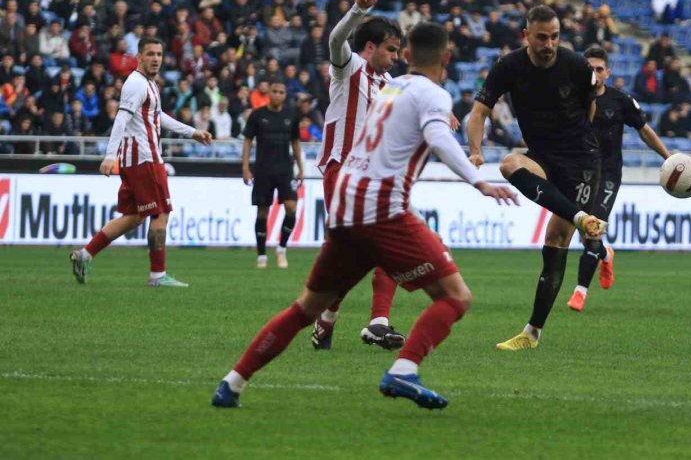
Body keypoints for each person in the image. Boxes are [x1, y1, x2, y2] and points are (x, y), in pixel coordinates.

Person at [212, 22, 519, 410]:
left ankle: (233, 381)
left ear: (406, 55)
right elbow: (440, 139)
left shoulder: (390, 87)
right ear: (446, 58)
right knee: (456, 297)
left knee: (306, 307)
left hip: (347, 202)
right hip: (382, 208)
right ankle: (404, 369)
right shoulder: (432, 94)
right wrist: (480, 181)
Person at [466, 5, 606, 351]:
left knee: (557, 239)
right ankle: (580, 216)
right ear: (526, 35)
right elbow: (479, 111)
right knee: (510, 165)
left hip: (581, 158)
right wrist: (475, 150)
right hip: (542, 154)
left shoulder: (576, 65)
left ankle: (532, 333)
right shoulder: (508, 66)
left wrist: (576, 138)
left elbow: (590, 110)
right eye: (542, 37)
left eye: (555, 37)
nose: (549, 44)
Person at [68, 38, 212, 286]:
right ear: (139, 57)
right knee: (161, 214)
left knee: (133, 216)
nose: (155, 58)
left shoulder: (149, 84)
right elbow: (121, 120)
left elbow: (158, 116)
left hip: (136, 159)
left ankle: (85, 254)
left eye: (159, 53)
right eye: (150, 54)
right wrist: (109, 156)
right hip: (145, 158)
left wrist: (192, 132)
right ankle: (157, 275)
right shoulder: (135, 84)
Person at [311, 0, 406, 352]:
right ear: (370, 47)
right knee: (349, 255)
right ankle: (326, 318)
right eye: (391, 49)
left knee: (390, 246)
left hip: (375, 177)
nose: (396, 57)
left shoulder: (389, 86)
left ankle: (378, 322)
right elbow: (335, 39)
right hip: (342, 171)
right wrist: (356, 10)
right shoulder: (348, 67)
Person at [564, 46, 670, 312]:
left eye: (600, 69)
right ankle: (605, 254)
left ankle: (580, 292)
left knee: (593, 229)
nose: (595, 73)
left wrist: (667, 157)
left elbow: (644, 131)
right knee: (586, 236)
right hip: (580, 174)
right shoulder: (572, 99)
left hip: (609, 175)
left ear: (607, 73)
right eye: (590, 68)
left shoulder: (620, 101)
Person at [242, 81, 303, 269]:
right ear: (269, 93)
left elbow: (296, 142)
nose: (277, 95)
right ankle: (261, 256)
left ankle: (282, 249)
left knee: (291, 208)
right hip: (262, 170)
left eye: (281, 92)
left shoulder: (291, 115)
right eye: (274, 91)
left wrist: (301, 167)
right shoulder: (257, 115)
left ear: (285, 95)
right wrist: (245, 167)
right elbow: (247, 141)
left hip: (285, 169)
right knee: (262, 212)